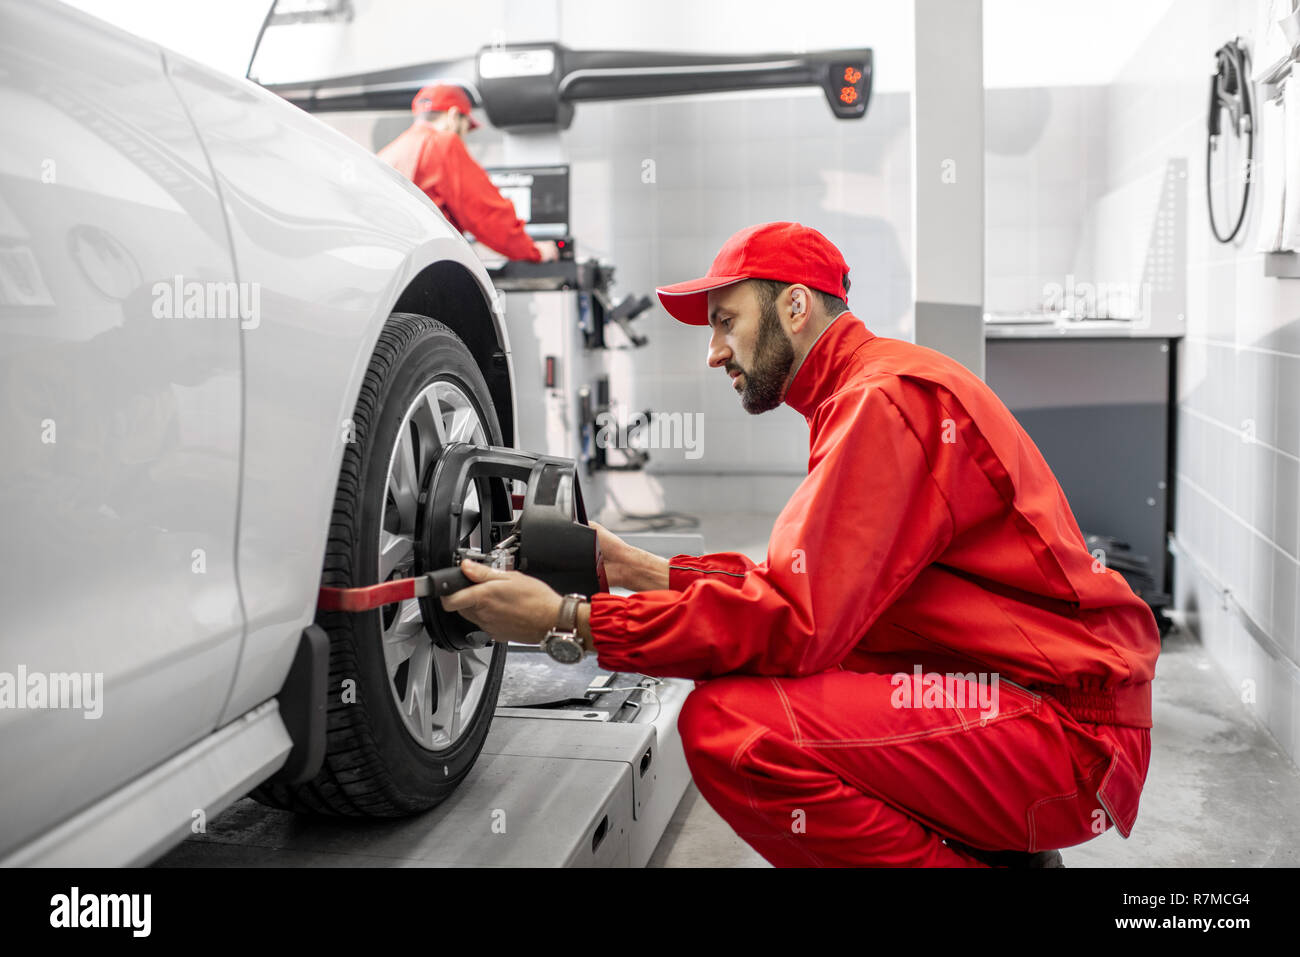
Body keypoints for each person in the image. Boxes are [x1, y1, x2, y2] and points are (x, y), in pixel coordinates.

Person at [441, 221, 1161, 867]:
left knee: (731, 726)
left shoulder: (882, 402)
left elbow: (793, 620)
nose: (715, 352)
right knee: (778, 671)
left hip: (1067, 738)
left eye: (726, 321)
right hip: (1030, 703)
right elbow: (805, 587)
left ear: (794, 306)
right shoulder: (870, 388)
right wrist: (633, 565)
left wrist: (566, 622)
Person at [377, 84, 558, 263]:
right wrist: (534, 251)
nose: (462, 137)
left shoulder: (387, 154)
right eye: (465, 128)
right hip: (427, 266)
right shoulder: (442, 144)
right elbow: (487, 214)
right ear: (453, 116)